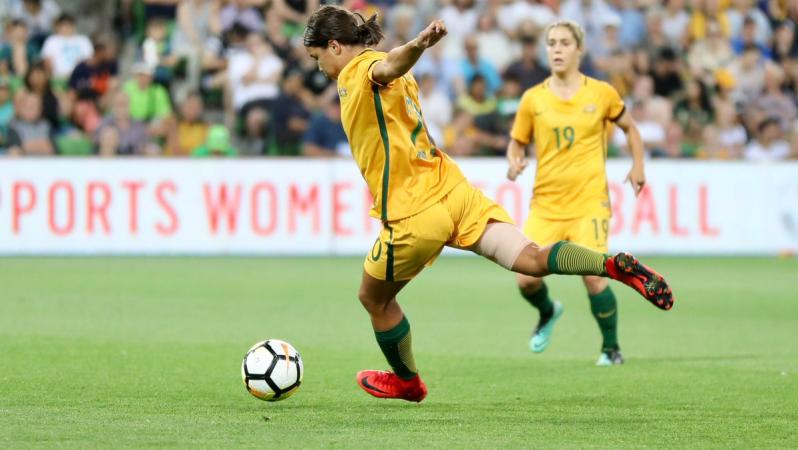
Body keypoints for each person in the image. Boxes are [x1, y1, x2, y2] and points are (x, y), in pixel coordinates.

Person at [303, 6, 674, 402]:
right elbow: (393, 71)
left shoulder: (358, 71)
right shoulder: (393, 75)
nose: (319, 67)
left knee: (374, 299)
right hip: (454, 191)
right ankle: (610, 266)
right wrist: (414, 49)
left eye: (317, 57)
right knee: (532, 258)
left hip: (413, 211)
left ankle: (408, 382)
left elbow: (390, 64)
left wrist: (419, 44)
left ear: (335, 46)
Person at [505, 20, 651, 366]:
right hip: (546, 206)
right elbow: (517, 141)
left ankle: (611, 349)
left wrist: (638, 165)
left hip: (589, 203)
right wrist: (514, 160)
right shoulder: (533, 98)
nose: (556, 49)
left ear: (579, 50)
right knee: (525, 280)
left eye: (564, 43)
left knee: (594, 276)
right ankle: (548, 311)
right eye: (552, 43)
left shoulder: (601, 93)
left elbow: (631, 129)